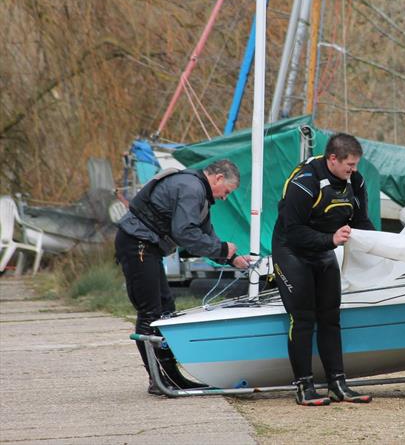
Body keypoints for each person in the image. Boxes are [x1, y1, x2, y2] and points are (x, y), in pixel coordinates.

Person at [115, 159, 252, 395]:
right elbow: (186, 233)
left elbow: (205, 234)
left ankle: (170, 377)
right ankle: (159, 380)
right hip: (137, 243)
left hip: (147, 246)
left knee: (165, 308)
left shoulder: (198, 190)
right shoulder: (192, 188)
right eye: (227, 191)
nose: (224, 197)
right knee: (151, 312)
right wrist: (221, 250)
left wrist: (233, 259)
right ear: (218, 178)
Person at [272, 133, 375, 406]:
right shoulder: (304, 183)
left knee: (331, 317)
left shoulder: (356, 181)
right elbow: (292, 232)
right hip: (291, 251)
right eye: (349, 165)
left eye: (355, 164)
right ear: (332, 159)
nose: (353, 170)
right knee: (303, 318)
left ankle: (337, 384)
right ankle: (304, 386)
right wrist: (329, 240)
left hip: (323, 251)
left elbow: (361, 221)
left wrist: (385, 246)